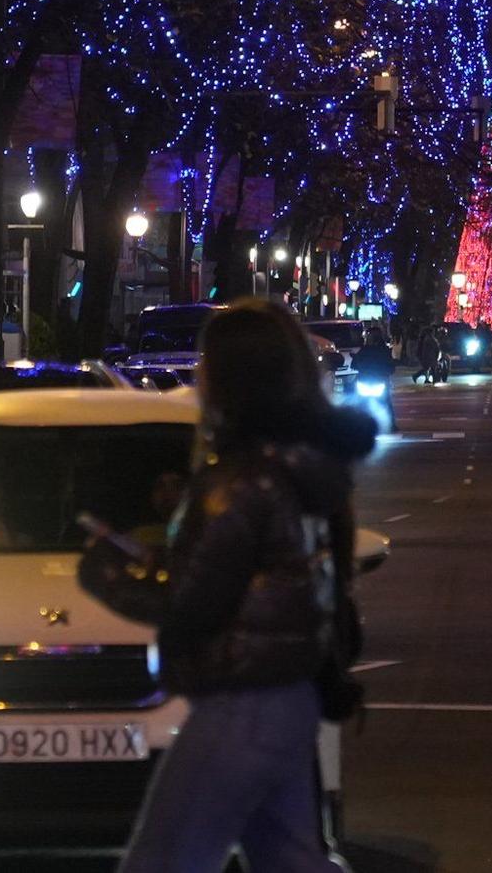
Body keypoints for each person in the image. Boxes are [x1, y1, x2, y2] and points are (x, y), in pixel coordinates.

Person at [82, 300, 371, 873]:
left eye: (206, 362)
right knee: (292, 862)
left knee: (164, 861)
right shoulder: (300, 467)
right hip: (289, 696)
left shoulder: (239, 482)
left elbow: (190, 602)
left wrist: (107, 570)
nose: (197, 374)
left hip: (241, 705)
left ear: (232, 377)